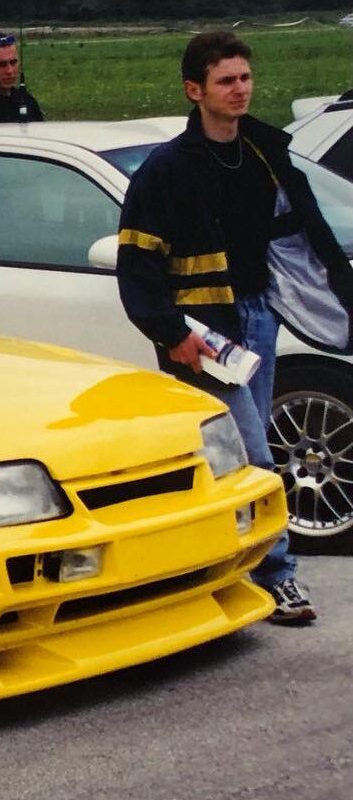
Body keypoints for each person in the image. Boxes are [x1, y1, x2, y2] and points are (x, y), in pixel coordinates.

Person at [117, 31, 353, 624]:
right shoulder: (167, 170)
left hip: (256, 317)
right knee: (254, 454)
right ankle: (279, 577)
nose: (240, 89)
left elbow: (308, 233)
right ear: (194, 90)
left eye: (245, 77)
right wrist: (173, 334)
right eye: (226, 80)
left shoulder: (265, 152)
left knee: (230, 456)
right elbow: (137, 265)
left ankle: (216, 566)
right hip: (203, 330)